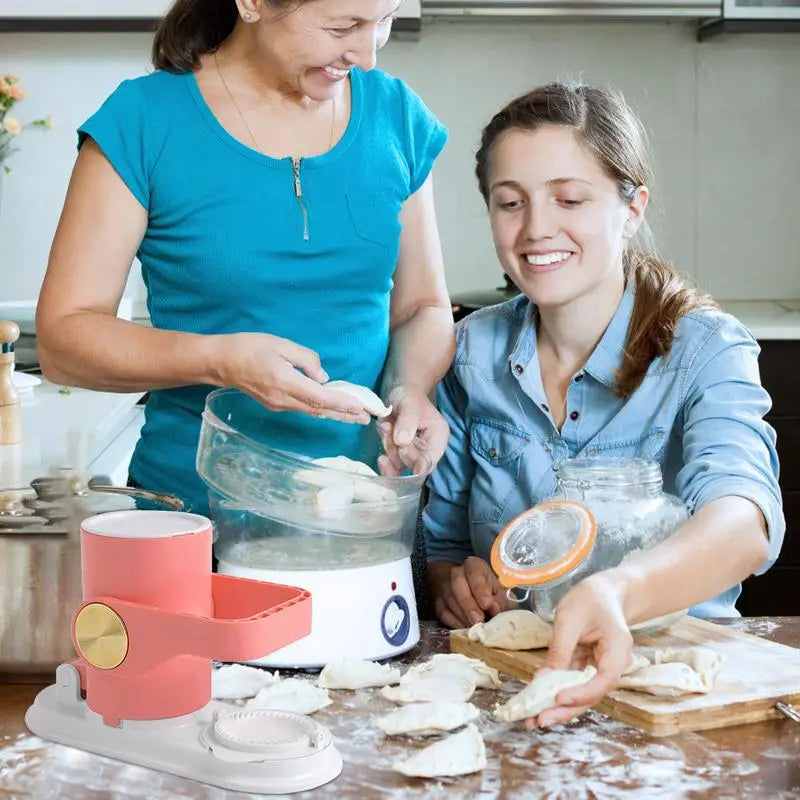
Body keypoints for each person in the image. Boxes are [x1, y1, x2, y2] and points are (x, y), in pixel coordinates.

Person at [424, 82, 784, 727]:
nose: (536, 229)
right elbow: (444, 543)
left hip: (674, 690)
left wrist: (620, 590)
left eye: (570, 199)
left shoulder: (706, 349)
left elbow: (744, 523)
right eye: (510, 203)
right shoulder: (471, 351)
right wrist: (455, 583)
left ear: (631, 206)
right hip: (513, 686)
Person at [35, 0, 455, 514]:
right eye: (343, 26)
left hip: (363, 514)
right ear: (252, 3)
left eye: (384, 20)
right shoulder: (143, 121)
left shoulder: (397, 117)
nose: (366, 55)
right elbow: (64, 340)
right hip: (191, 517)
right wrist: (222, 362)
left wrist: (411, 389)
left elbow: (422, 308)